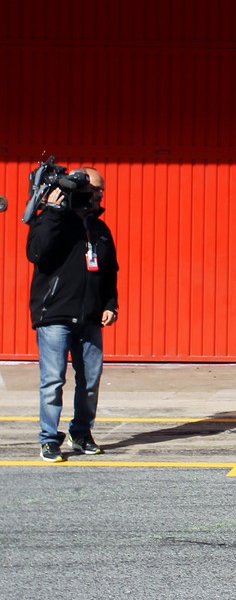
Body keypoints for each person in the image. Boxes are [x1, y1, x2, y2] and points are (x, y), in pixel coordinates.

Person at [26, 167, 120, 462]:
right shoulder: (52, 220)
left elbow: (109, 272)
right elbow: (36, 253)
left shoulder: (99, 228)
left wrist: (110, 304)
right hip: (55, 314)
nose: (99, 195)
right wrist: (53, 211)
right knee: (53, 380)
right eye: (95, 189)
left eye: (101, 190)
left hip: (90, 317)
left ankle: (81, 433)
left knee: (90, 381)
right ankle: (49, 439)